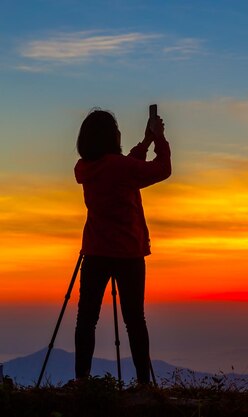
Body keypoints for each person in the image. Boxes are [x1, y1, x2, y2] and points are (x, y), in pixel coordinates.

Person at [73, 108, 171, 384]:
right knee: (134, 320)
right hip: (128, 253)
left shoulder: (86, 168)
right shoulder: (120, 168)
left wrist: (146, 142)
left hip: (94, 252)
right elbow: (162, 169)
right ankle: (142, 383)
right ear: (110, 136)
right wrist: (160, 138)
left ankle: (82, 380)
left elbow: (125, 166)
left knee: (86, 319)